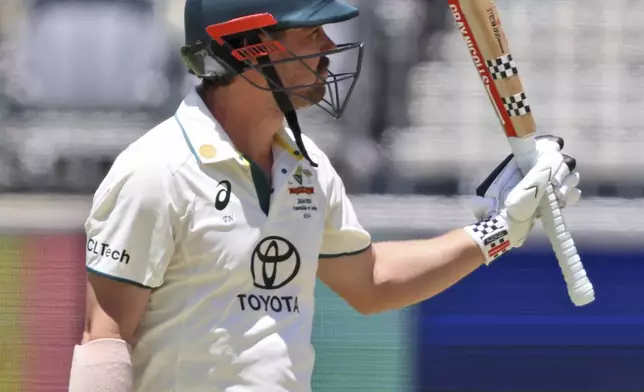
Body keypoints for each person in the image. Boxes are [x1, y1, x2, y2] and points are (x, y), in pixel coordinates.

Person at [67, 0, 582, 391]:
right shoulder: (156, 170)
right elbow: (105, 340)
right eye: (311, 32)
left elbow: (371, 281)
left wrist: (496, 232)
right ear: (252, 46)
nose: (329, 47)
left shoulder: (305, 166)